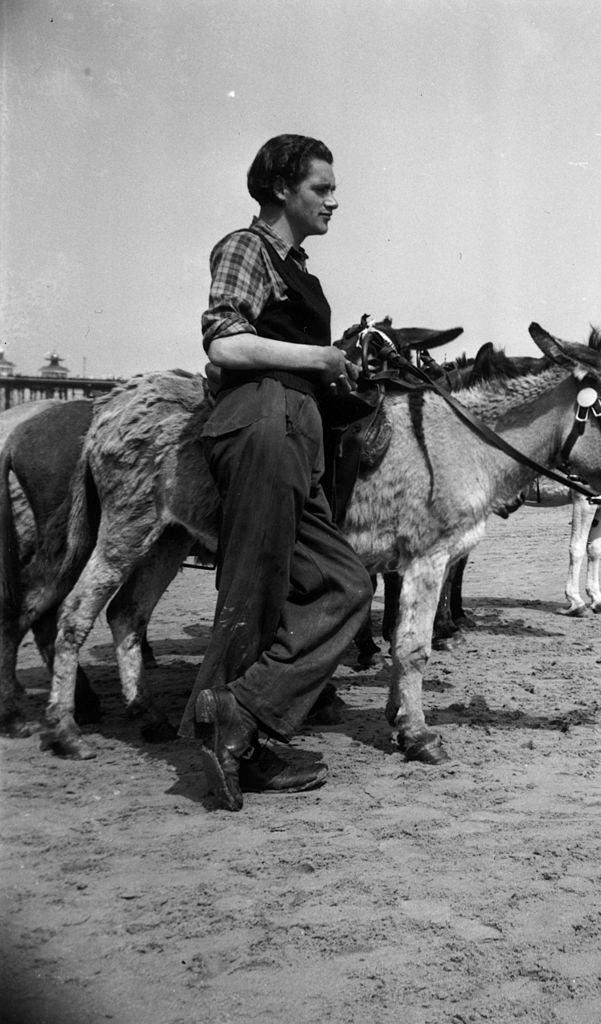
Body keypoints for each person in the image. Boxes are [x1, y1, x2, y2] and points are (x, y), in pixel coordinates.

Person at [179, 135, 373, 811]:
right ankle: (240, 742)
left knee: (346, 583)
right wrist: (317, 358)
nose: (333, 200)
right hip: (261, 419)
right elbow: (223, 340)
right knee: (256, 587)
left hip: (296, 427)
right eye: (321, 188)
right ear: (282, 190)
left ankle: (239, 716)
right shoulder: (246, 247)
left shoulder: (301, 273)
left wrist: (334, 372)